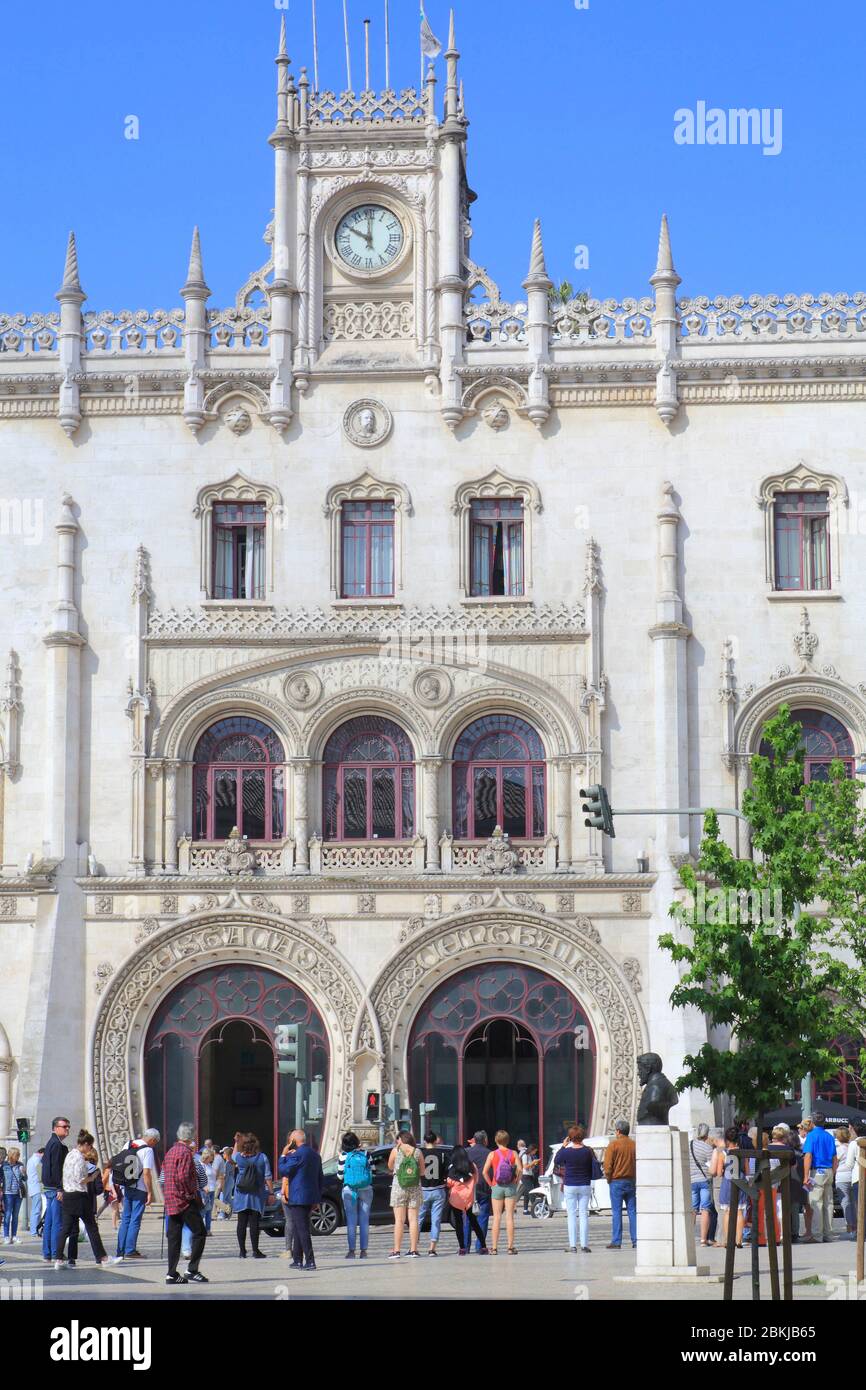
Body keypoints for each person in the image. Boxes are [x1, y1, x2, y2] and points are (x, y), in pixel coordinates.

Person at [54, 1130, 109, 1269]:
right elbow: (80, 1179)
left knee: (66, 1229)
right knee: (91, 1227)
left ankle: (58, 1259)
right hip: (79, 1196)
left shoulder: (69, 1155)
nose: (89, 1149)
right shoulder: (79, 1158)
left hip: (67, 1195)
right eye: (90, 1146)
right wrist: (93, 1176)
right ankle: (103, 1257)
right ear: (85, 1144)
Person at [162, 1121, 208, 1286]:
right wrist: (190, 1194)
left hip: (171, 1200)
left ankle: (171, 1273)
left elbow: (164, 1176)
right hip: (184, 1200)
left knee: (174, 1237)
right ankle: (192, 1270)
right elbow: (183, 1177)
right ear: (191, 1136)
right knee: (200, 1232)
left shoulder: (170, 1151)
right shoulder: (186, 1153)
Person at [109, 1128, 159, 1263]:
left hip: (127, 1186)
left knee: (125, 1218)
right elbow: (147, 1173)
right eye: (155, 1142)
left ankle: (121, 1250)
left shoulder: (129, 1144)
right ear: (153, 1140)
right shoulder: (148, 1150)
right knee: (135, 1220)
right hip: (140, 1188)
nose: (155, 1145)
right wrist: (150, 1192)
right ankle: (130, 1250)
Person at [279, 1128, 323, 1270]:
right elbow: (320, 1178)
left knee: (303, 1229)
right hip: (310, 1196)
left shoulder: (297, 1154)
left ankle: (310, 1260)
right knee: (299, 1227)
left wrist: (283, 1155)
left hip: (298, 1197)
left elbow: (284, 1170)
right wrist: (317, 1198)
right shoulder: (315, 1155)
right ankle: (297, 1259)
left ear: (293, 1141)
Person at [553, 1124, 594, 1254]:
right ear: (582, 1137)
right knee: (583, 1214)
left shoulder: (566, 1151)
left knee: (571, 1215)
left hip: (570, 1184)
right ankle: (584, 1245)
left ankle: (572, 1245)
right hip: (584, 1184)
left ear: (570, 1138)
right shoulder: (588, 1151)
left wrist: (563, 1145)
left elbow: (557, 1160)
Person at [232, 1133, 272, 1259]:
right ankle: (255, 1250)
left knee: (241, 1223)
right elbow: (268, 1177)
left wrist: (236, 1141)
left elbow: (233, 1155)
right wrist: (271, 1193)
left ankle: (242, 1251)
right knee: (255, 1223)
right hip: (256, 1194)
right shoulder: (262, 1157)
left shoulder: (239, 1157)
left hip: (241, 1194)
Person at [483, 1129, 521, 1255]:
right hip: (510, 1186)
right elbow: (520, 1170)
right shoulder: (513, 1153)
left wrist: (491, 1184)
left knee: (497, 1217)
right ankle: (510, 1247)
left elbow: (484, 1172)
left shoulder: (492, 1154)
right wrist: (516, 1181)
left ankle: (494, 1248)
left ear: (496, 1140)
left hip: (497, 1186)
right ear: (508, 1140)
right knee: (509, 1217)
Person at [387, 1130, 424, 1259]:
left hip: (399, 1186)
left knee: (399, 1220)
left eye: (398, 1139)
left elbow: (390, 1166)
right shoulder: (417, 1152)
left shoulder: (395, 1151)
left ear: (401, 1139)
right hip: (414, 1187)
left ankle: (396, 1250)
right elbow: (423, 1172)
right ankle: (413, 1250)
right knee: (413, 1219)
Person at [801, 1114, 837, 1243]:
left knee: (816, 1203)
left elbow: (808, 1156)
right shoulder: (829, 1136)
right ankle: (829, 1233)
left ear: (813, 1122)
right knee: (829, 1203)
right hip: (828, 1170)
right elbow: (834, 1158)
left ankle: (817, 1235)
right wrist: (833, 1172)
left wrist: (806, 1176)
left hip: (817, 1171)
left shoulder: (811, 1136)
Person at [337, 1130, 373, 1260]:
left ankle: (351, 1251)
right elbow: (372, 1170)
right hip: (366, 1189)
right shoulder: (366, 1154)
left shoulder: (344, 1156)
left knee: (351, 1221)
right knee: (364, 1220)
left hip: (349, 1190)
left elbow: (340, 1176)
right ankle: (364, 1252)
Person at [446, 1145, 488, 1254]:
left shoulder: (452, 1168)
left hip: (456, 1199)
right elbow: (476, 1180)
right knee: (474, 1223)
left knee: (459, 1223)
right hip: (469, 1198)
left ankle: (462, 1248)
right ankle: (483, 1246)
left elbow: (449, 1182)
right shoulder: (472, 1166)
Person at [41, 1116, 71, 1264]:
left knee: (50, 1222)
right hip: (55, 1188)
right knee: (57, 1222)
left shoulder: (51, 1143)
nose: (67, 1129)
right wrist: (60, 1188)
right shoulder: (57, 1145)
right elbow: (57, 1169)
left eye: (68, 1126)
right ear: (55, 1128)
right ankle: (55, 1252)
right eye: (64, 1126)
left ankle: (47, 1252)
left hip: (48, 1187)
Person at [604, 1118, 638, 1250]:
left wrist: (608, 1178)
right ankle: (636, 1240)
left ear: (618, 1131)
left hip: (616, 1181)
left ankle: (617, 1241)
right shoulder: (633, 1144)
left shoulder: (613, 1145)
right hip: (630, 1181)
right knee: (632, 1211)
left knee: (617, 1212)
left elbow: (607, 1166)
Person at [714, 1125, 747, 1248]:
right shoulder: (743, 1153)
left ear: (727, 1140)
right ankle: (739, 1240)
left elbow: (718, 1173)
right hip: (740, 1180)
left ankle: (729, 1240)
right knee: (739, 1212)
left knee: (727, 1212)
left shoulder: (722, 1153)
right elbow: (747, 1170)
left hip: (728, 1182)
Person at [419, 1132, 450, 1256]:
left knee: (418, 1219)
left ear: (425, 1140)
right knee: (435, 1219)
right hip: (438, 1189)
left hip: (423, 1189)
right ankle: (432, 1248)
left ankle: (414, 1246)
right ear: (436, 1140)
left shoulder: (419, 1153)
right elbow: (447, 1171)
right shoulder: (442, 1154)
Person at [687, 1122, 715, 1248]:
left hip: (692, 1180)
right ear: (707, 1134)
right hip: (705, 1181)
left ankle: (689, 1237)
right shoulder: (708, 1148)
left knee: (692, 1210)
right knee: (705, 1210)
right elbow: (711, 1168)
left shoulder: (689, 1145)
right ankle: (703, 1240)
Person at [464, 1130, 493, 1252]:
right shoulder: (490, 1153)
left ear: (474, 1140)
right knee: (483, 1218)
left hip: (468, 1189)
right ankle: (480, 1246)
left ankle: (464, 1246)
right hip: (484, 1188)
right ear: (485, 1140)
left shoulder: (466, 1152)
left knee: (467, 1219)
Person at [1, 1148, 25, 1244]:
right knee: (7, 1215)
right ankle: (6, 1236)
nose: (18, 1156)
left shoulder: (20, 1165)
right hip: (8, 1193)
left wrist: (24, 1173)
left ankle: (14, 1236)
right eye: (17, 1155)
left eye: (19, 1155)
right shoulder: (4, 1166)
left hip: (18, 1193)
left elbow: (25, 1179)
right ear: (11, 1155)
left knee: (15, 1215)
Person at [26, 1146, 44, 1238]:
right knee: (36, 1210)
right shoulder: (37, 1160)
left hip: (33, 1188)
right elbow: (41, 1175)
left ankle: (34, 1230)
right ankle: (34, 1231)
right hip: (37, 1188)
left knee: (36, 1209)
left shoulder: (31, 1159)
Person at [520, 1143, 539, 1215]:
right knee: (531, 1192)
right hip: (525, 1176)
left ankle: (525, 1210)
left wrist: (534, 1164)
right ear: (532, 1150)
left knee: (526, 1193)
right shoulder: (525, 1156)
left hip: (529, 1175)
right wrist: (533, 1163)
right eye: (535, 1151)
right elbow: (525, 1167)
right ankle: (535, 1208)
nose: (535, 1153)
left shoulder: (529, 1156)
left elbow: (529, 1167)